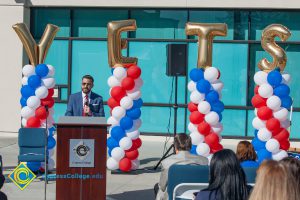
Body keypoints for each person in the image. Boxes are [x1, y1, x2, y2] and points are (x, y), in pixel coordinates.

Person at [155, 134, 208, 200]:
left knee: (157, 187)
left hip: (175, 196)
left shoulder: (166, 162)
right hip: (197, 196)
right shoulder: (204, 161)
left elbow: (162, 186)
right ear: (191, 146)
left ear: (175, 146)